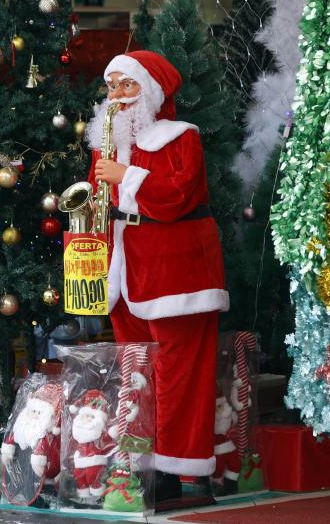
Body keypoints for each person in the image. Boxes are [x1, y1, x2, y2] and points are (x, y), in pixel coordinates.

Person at [84, 51, 229, 500]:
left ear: (150, 91)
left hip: (176, 271)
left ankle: (184, 471)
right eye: (112, 86)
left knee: (181, 373)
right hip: (126, 270)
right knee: (138, 372)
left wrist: (125, 175)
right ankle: (145, 465)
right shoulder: (107, 144)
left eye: (127, 86)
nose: (117, 96)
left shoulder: (180, 137)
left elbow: (177, 196)